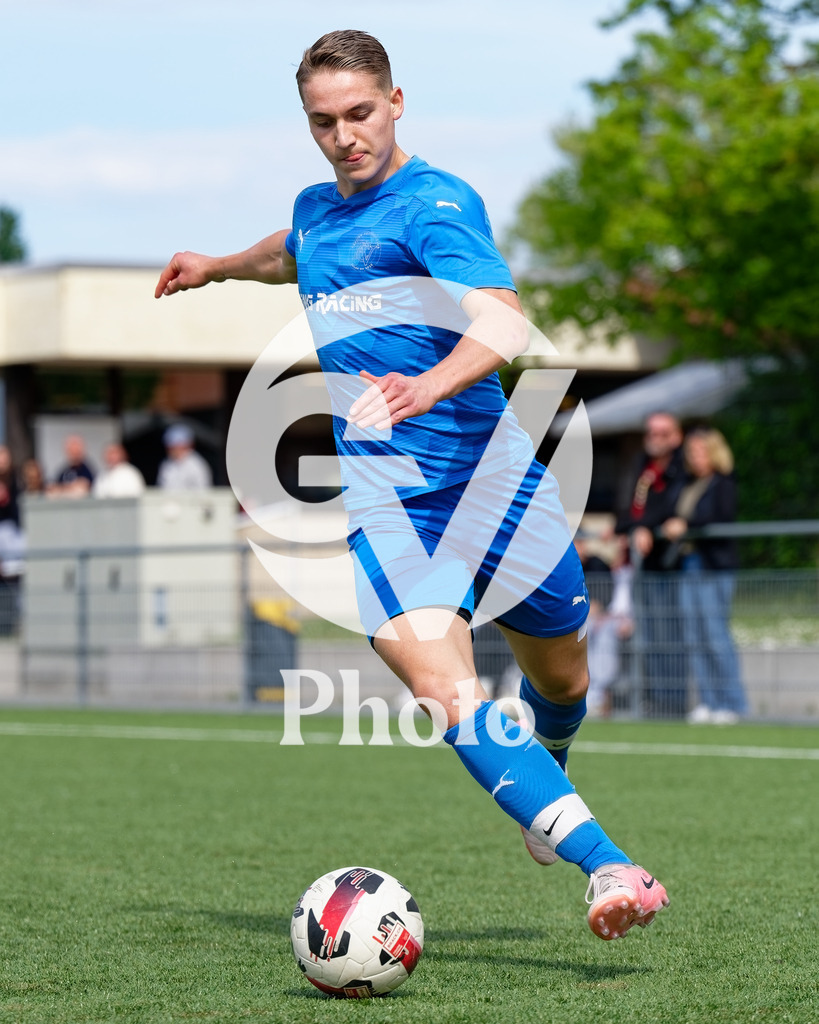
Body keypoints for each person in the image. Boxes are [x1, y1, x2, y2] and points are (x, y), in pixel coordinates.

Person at [155, 29, 668, 940]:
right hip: (391, 502)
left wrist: (426, 385)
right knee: (447, 689)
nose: (344, 135)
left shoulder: (435, 204)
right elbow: (295, 248)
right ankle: (609, 867)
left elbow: (504, 325)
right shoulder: (318, 206)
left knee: (563, 673)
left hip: (494, 482)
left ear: (396, 102)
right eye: (323, 122)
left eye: (360, 113)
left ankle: (549, 757)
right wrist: (219, 265)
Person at [661, 428, 748, 724]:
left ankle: (732, 703)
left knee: (715, 634)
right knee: (693, 636)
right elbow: (666, 507)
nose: (694, 458)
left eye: (700, 451)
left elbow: (720, 517)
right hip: (689, 564)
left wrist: (686, 523)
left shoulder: (723, 482)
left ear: (713, 453)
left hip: (714, 566)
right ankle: (708, 702)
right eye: (691, 452)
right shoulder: (686, 482)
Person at [615, 411, 687, 718]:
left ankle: (674, 703)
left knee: (671, 635)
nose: (655, 439)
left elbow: (675, 508)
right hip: (639, 564)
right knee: (649, 634)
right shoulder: (640, 465)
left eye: (662, 433)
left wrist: (646, 526)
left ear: (676, 436)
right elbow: (625, 508)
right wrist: (632, 528)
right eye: (651, 433)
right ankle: (655, 700)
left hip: (669, 564)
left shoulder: (682, 468)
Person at [156, 424, 213, 491]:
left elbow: (204, 491)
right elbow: (161, 488)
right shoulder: (166, 464)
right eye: (170, 446)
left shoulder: (197, 465)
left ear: (187, 445)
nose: (172, 450)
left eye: (176, 446)